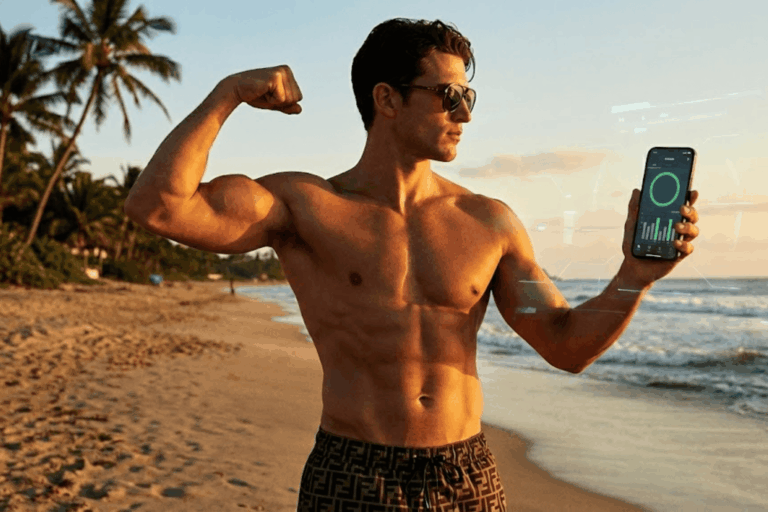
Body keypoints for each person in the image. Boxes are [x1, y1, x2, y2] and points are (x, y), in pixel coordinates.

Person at [124, 17, 699, 512]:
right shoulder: (304, 206)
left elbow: (566, 345)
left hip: (464, 474)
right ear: (388, 99)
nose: (465, 115)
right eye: (449, 96)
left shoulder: (488, 222)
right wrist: (228, 94)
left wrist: (633, 277)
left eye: (469, 97)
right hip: (353, 472)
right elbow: (158, 207)